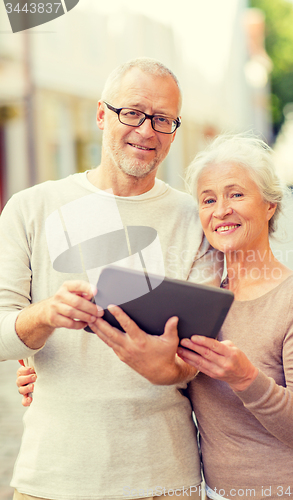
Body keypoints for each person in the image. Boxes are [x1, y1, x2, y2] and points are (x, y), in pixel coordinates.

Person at [49, 134, 293, 500]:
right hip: (217, 493)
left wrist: (245, 377)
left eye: (236, 194)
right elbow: (156, 368)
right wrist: (39, 373)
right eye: (208, 199)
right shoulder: (194, 299)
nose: (221, 210)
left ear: (269, 205)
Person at [0, 57, 223, 500]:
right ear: (102, 115)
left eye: (163, 120)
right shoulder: (30, 208)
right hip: (53, 477)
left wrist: (169, 366)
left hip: (163, 477)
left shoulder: (196, 218)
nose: (147, 131)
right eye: (133, 113)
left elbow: (200, 357)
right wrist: (44, 316)